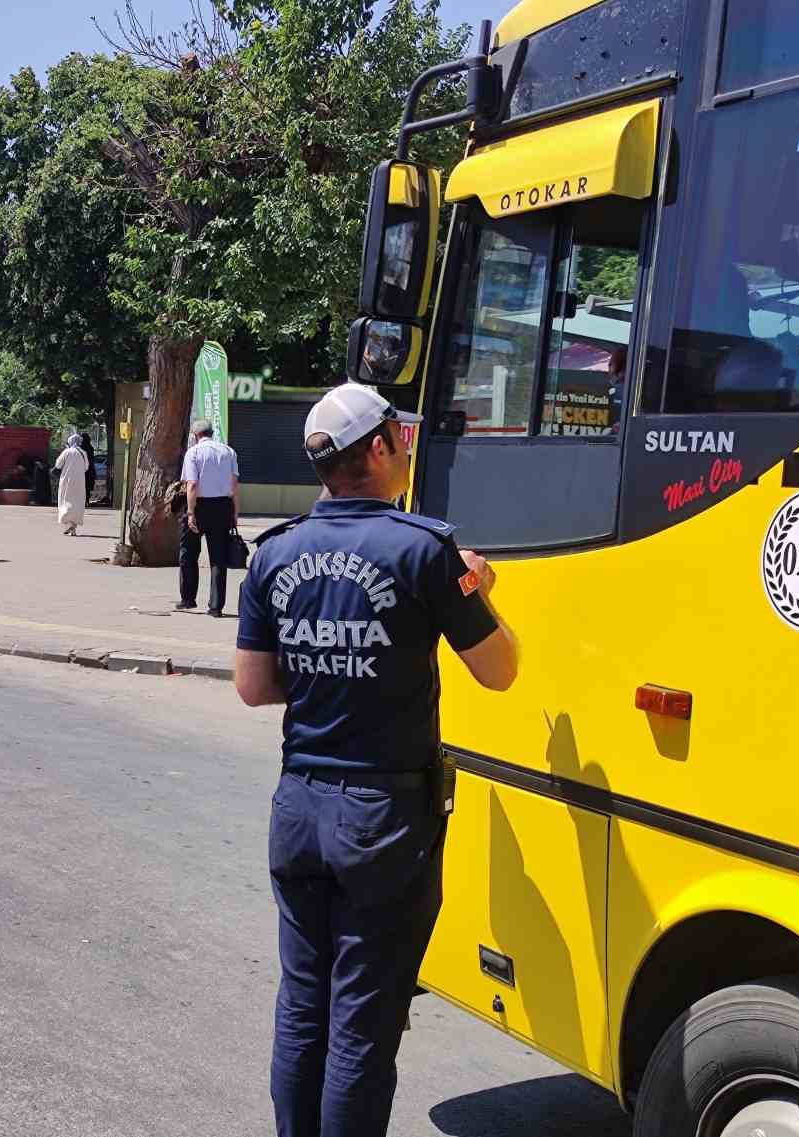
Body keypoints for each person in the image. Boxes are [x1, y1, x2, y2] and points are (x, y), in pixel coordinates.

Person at [233, 383, 520, 1137]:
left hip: (299, 807)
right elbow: (500, 669)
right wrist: (479, 591)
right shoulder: (424, 550)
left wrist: (325, 662)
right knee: (362, 1019)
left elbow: (254, 686)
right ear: (385, 446)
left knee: (303, 1004)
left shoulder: (277, 552)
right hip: (383, 819)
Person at [177, 417, 240, 617]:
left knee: (188, 553)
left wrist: (190, 512)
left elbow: (192, 485)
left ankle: (188, 598)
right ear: (212, 433)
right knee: (218, 558)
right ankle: (216, 606)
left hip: (199, 506)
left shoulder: (193, 453)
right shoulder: (229, 452)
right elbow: (234, 485)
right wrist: (235, 512)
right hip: (223, 506)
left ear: (196, 436)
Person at [54, 433, 89, 535]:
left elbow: (58, 464)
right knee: (77, 502)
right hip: (80, 482)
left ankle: (69, 525)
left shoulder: (67, 452)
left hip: (67, 481)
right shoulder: (83, 453)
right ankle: (73, 526)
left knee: (66, 500)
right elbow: (86, 467)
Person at [78, 432, 97, 504]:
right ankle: (87, 501)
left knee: (81, 486)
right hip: (90, 470)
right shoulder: (91, 448)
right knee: (87, 487)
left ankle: (82, 501)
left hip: (82, 470)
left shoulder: (80, 448)